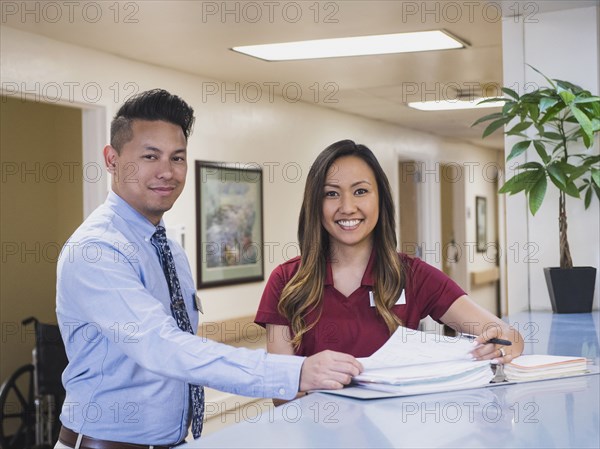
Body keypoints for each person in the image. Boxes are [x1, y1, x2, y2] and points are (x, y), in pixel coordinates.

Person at [55, 91, 362, 449]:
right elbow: (162, 346)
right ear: (111, 159)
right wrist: (294, 371)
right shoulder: (96, 250)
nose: (167, 172)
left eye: (177, 157)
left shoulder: (168, 249)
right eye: (150, 156)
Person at [255, 139, 524, 398]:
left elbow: (509, 336)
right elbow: (280, 394)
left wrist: (498, 345)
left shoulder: (413, 275)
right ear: (316, 203)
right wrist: (307, 376)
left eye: (360, 191)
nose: (348, 207)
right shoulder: (287, 280)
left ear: (380, 199)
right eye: (331, 194)